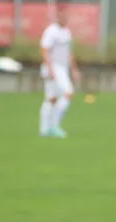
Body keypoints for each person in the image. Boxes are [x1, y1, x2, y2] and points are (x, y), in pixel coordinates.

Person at [39, 9, 80, 138]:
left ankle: (45, 129)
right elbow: (44, 50)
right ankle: (53, 125)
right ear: (57, 17)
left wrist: (73, 69)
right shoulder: (51, 31)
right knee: (68, 93)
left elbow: (68, 53)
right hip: (54, 68)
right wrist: (49, 68)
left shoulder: (67, 33)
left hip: (62, 68)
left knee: (52, 99)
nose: (65, 19)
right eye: (62, 17)